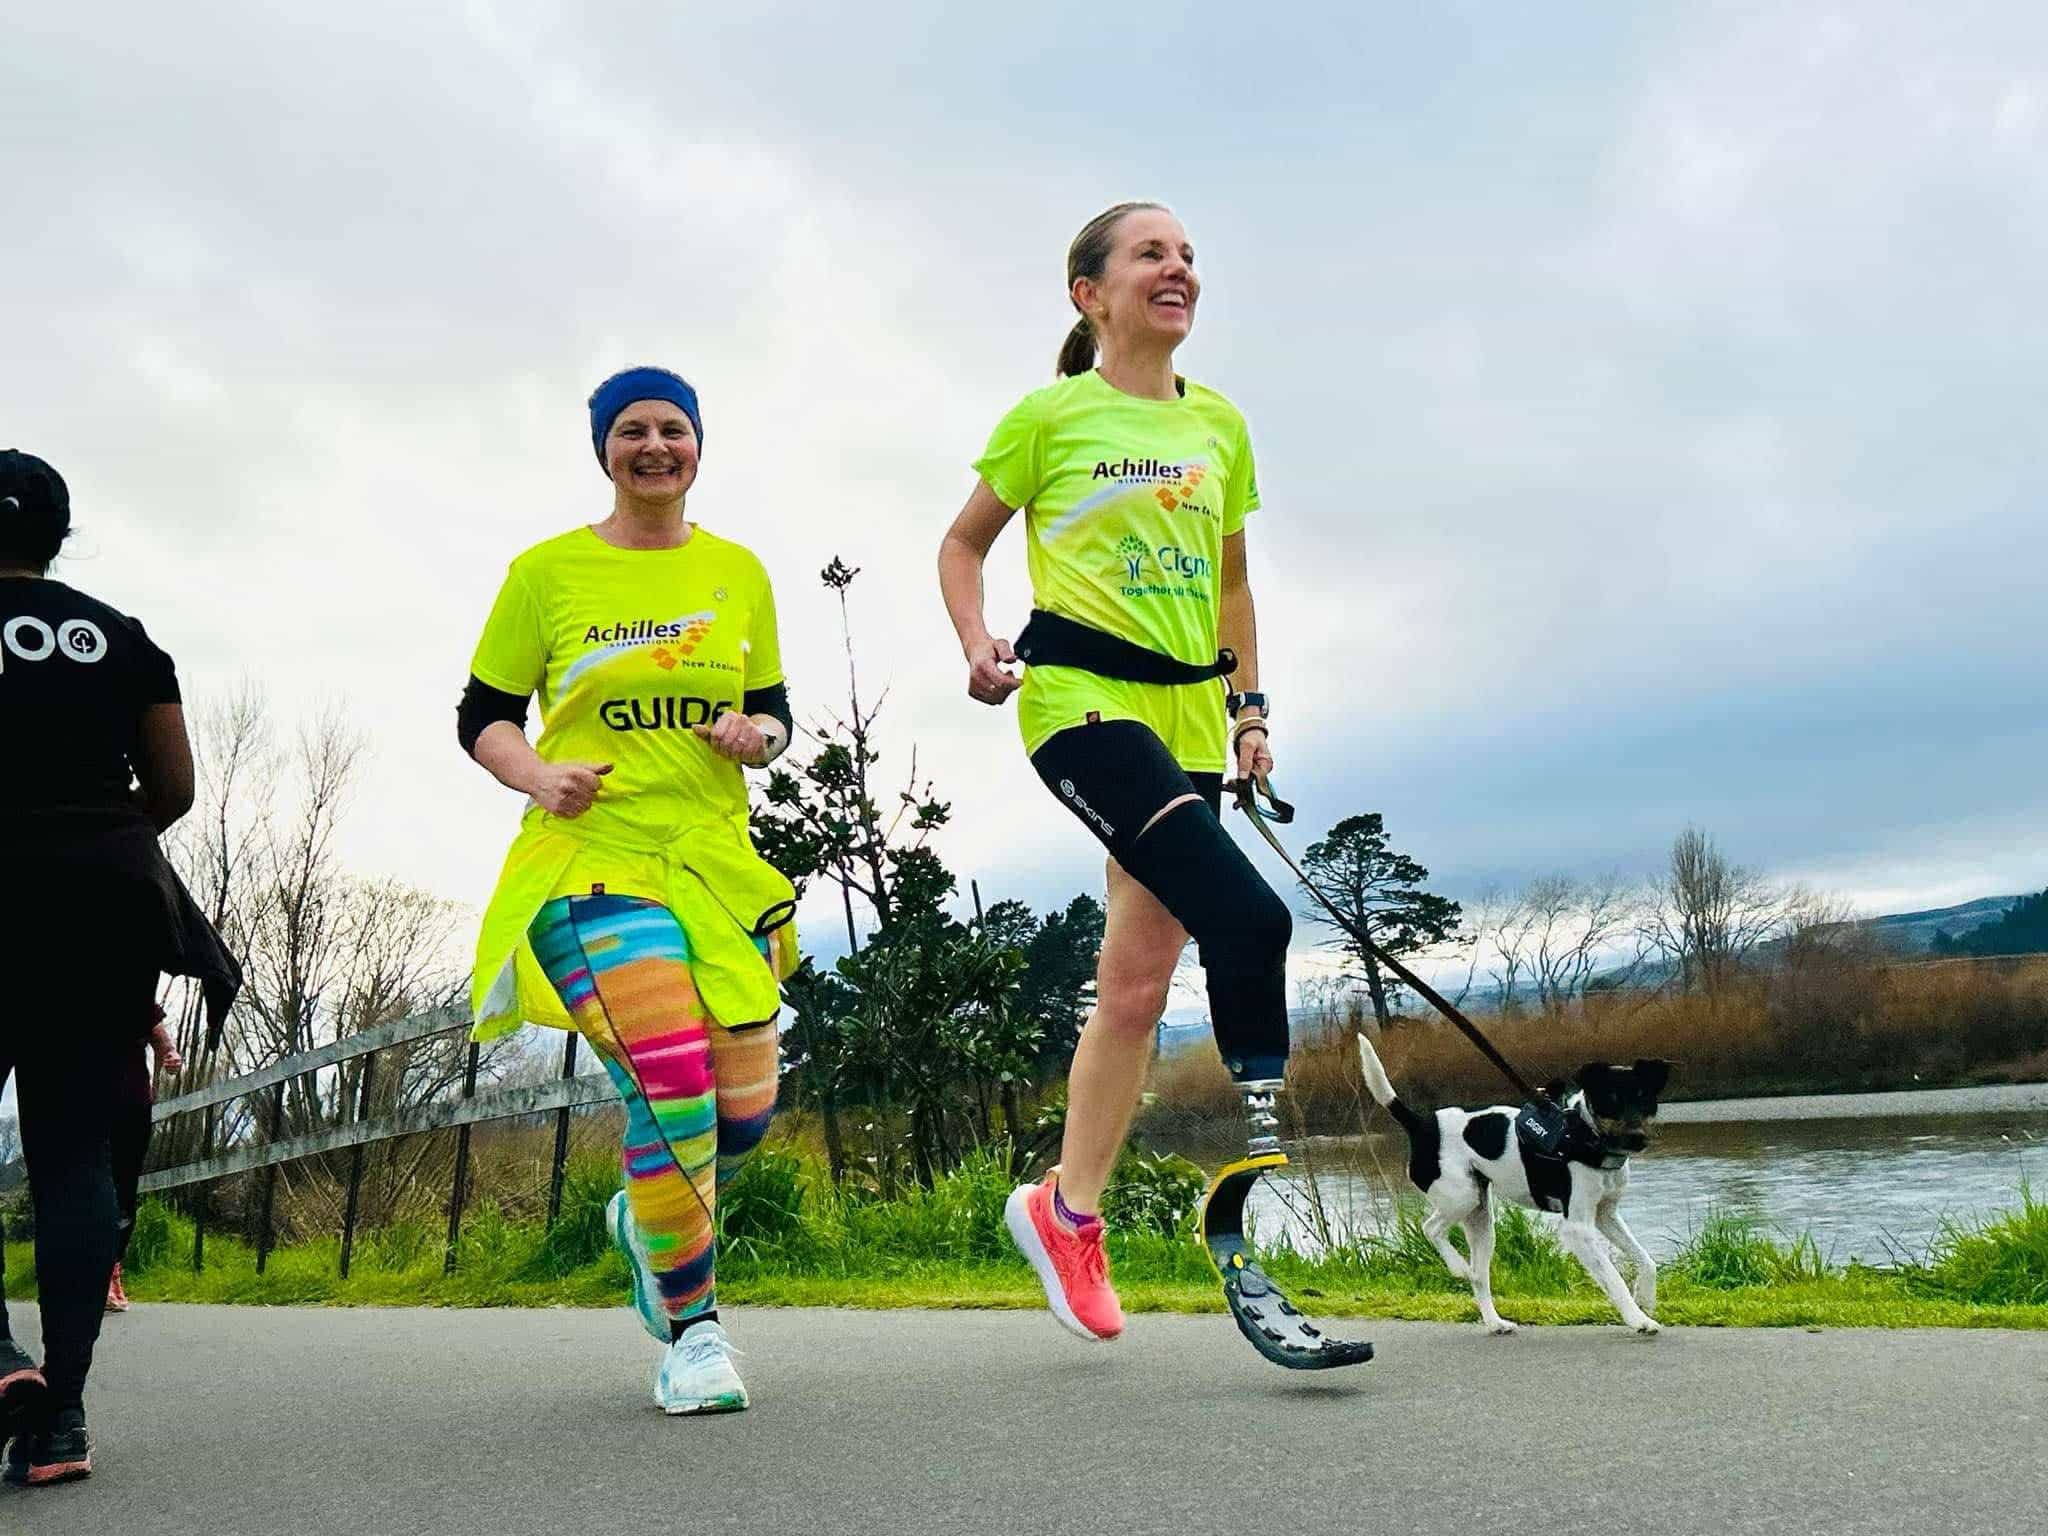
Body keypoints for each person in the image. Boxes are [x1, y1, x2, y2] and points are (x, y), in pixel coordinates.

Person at [937, 204, 1285, 1342]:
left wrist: (1248, 710)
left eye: (1187, 255)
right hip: (1079, 701)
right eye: (1151, 254)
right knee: (1246, 916)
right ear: (1089, 294)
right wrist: (977, 641)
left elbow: (1231, 587)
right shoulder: (1049, 416)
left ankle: (1066, 1212)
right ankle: (1261, 1149)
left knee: (1135, 987)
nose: (1177, 268)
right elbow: (961, 543)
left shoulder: (1221, 425)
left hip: (1189, 718)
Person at [461, 368, 798, 1415]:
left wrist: (756, 737)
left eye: (673, 429)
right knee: (671, 1088)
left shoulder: (737, 572)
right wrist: (535, 774)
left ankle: (644, 1220)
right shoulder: (546, 573)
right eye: (632, 431)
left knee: (743, 1115)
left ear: (698, 445)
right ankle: (695, 1337)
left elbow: (775, 713)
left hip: (711, 866)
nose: (654, 446)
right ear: (604, 449)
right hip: (589, 861)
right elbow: (481, 714)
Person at [0, 449, 238, 1486]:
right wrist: (85, 837)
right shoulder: (124, 638)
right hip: (102, 900)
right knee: (74, 1153)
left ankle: (0, 1362)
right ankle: (62, 1415)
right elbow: (173, 787)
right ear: (59, 536)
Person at [105, 1007, 184, 1314]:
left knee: (124, 1189)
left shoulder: (133, 989)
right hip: (85, 1105)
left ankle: (111, 1271)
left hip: (132, 1106)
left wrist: (170, 1053)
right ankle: (82, 1271)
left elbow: (157, 1032)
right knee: (89, 1185)